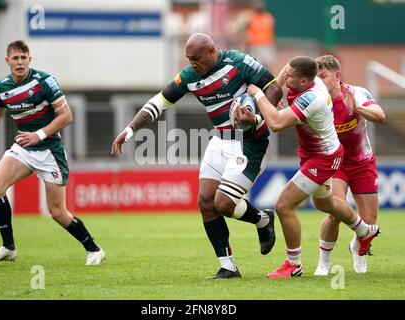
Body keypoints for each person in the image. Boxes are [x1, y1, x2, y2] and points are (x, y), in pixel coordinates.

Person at [111, 33, 283, 279]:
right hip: (219, 141)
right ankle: (228, 267)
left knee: (223, 203)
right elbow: (159, 103)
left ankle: (262, 220)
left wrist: (256, 118)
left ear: (213, 51)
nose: (192, 64)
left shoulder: (239, 62)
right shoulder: (190, 76)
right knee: (205, 201)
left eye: (197, 58)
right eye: (188, 59)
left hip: (250, 142)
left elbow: (274, 88)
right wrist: (130, 129)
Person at [244, 56, 380, 278]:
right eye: (286, 73)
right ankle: (364, 231)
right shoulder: (297, 79)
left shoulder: (313, 98)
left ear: (306, 80)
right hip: (313, 154)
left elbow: (277, 123)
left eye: (290, 76)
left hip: (323, 158)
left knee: (283, 206)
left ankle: (293, 265)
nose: (286, 77)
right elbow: (278, 84)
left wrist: (258, 95)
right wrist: (273, 96)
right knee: (325, 203)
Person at [0, 40, 105, 266]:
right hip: (24, 147)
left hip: (49, 151)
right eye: (15, 58)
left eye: (24, 57)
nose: (20, 62)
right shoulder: (2, 87)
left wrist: (39, 135)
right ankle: (8, 247)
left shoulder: (44, 82)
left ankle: (94, 249)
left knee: (57, 212)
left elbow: (67, 116)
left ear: (30, 60)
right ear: (8, 61)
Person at [313, 55, 386, 275]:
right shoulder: (316, 99)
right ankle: (323, 263)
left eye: (322, 76)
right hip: (335, 163)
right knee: (335, 211)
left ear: (337, 76)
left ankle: (357, 247)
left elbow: (380, 116)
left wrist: (357, 109)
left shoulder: (357, 93)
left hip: (362, 161)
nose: (318, 81)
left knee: (369, 222)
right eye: (315, 78)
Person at [244, 1, 276, 70]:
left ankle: (268, 77)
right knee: (256, 63)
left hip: (266, 44)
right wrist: (247, 44)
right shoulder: (251, 18)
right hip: (255, 45)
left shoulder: (268, 17)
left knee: (267, 62)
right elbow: (247, 33)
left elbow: (271, 30)